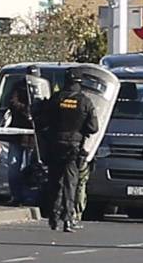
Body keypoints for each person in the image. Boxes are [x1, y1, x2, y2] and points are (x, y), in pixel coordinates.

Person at [35, 68, 100, 232]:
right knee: (70, 183)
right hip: (74, 147)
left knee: (55, 181)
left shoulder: (56, 99)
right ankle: (68, 219)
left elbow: (42, 120)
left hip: (55, 144)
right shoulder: (85, 101)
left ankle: (53, 217)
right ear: (80, 82)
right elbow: (93, 128)